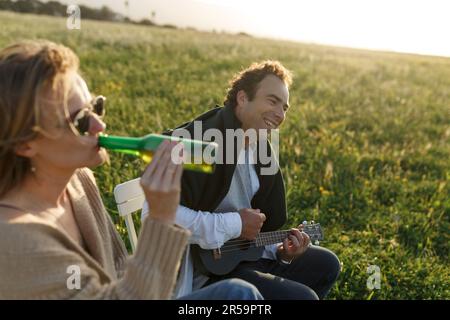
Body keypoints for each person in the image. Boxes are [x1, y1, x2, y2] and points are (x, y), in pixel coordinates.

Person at [0, 40, 263, 300]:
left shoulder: (78, 180)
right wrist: (161, 217)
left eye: (96, 107)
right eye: (80, 121)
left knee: (240, 293)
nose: (99, 126)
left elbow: (118, 267)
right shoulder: (15, 242)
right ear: (25, 143)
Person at [143, 61, 340, 300]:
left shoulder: (260, 150)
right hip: (203, 273)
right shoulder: (200, 142)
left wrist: (282, 252)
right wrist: (235, 224)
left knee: (326, 264)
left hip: (239, 259)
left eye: (285, 107)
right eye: (272, 101)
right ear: (243, 98)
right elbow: (157, 216)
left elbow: (255, 227)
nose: (280, 114)